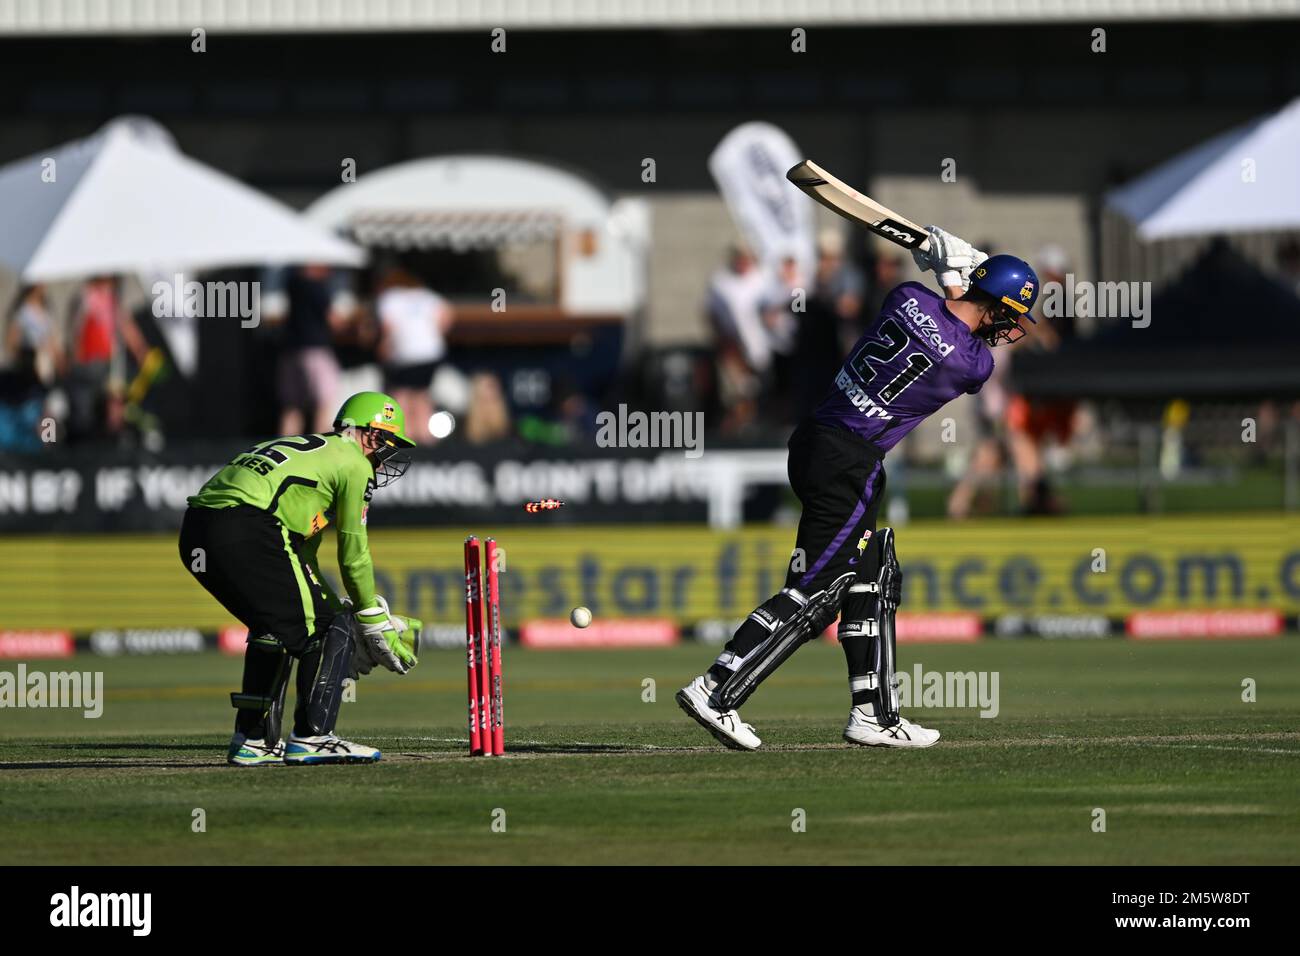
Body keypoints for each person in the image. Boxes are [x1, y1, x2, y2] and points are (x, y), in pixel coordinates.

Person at [676, 230, 1039, 751]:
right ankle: (716, 689)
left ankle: (875, 716)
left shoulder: (905, 298)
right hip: (852, 461)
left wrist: (948, 273)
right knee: (817, 590)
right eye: (1010, 314)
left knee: (873, 573)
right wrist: (955, 272)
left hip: (814, 441)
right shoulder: (973, 365)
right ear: (1000, 305)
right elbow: (963, 336)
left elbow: (939, 312)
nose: (1010, 327)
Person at [179, 392, 421, 766]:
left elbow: (301, 558)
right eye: (387, 444)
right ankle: (313, 736)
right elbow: (354, 553)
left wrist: (334, 608)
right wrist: (367, 616)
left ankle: (253, 740)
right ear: (371, 435)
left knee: (277, 624)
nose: (386, 457)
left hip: (198, 532)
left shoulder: (307, 452)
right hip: (250, 527)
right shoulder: (353, 463)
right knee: (325, 625)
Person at [375, 268, 453, 443]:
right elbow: (447, 315)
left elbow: (388, 328)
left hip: (405, 353)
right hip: (431, 353)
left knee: (401, 398)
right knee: (422, 397)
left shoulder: (389, 298)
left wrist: (384, 347)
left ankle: (403, 441)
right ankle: (426, 443)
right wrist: (434, 334)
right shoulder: (427, 296)